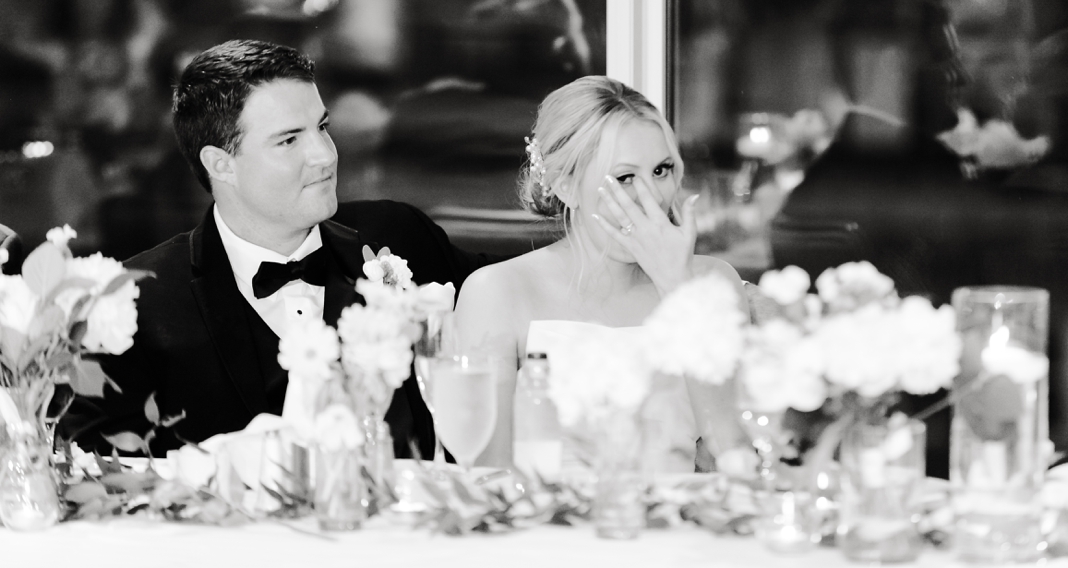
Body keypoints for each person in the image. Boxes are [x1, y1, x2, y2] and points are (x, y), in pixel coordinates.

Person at [63, 39, 489, 458]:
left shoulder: (398, 235)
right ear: (220, 164)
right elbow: (91, 464)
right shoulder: (136, 302)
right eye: (289, 140)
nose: (324, 155)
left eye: (322, 128)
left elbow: (515, 301)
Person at [453, 76, 748, 472]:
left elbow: (735, 457)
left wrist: (680, 295)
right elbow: (485, 471)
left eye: (661, 170)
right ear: (567, 187)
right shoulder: (498, 291)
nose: (653, 198)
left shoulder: (712, 284)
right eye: (625, 178)